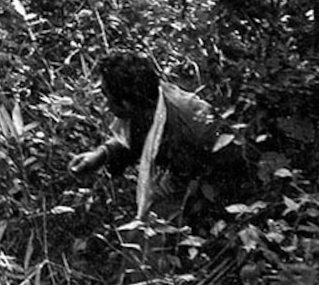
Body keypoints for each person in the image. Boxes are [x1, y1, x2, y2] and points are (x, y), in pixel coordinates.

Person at [68, 52, 245, 226]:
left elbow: (190, 188)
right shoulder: (148, 103)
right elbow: (136, 137)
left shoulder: (186, 128)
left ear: (126, 104)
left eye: (108, 98)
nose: (106, 106)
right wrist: (101, 154)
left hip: (222, 191)